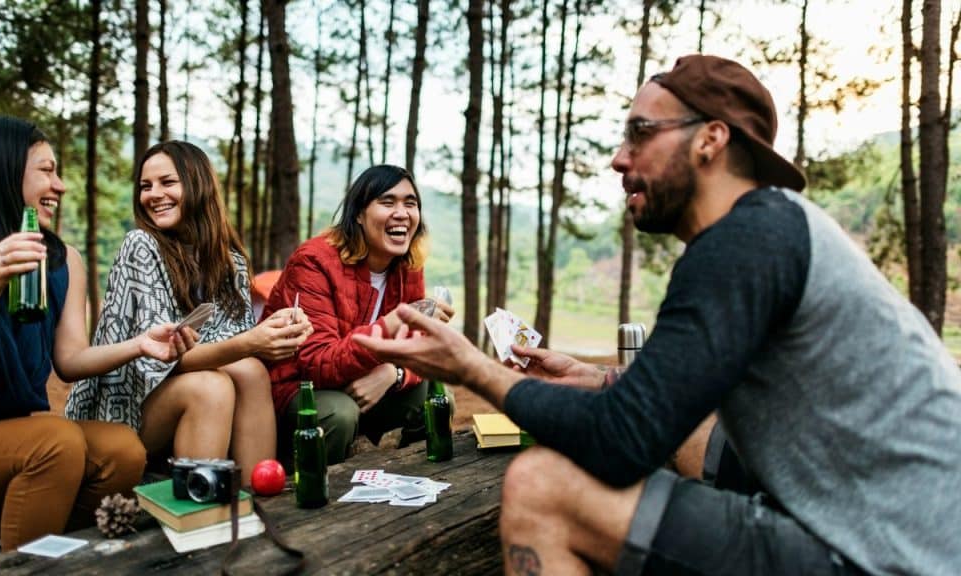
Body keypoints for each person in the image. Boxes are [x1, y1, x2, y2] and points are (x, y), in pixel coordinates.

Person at [354, 55, 961, 576]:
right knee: (696, 434)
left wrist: (470, 368)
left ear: (710, 140)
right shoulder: (769, 229)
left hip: (886, 552)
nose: (620, 159)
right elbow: (670, 401)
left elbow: (622, 442)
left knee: (539, 486)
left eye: (640, 133)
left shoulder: (745, 242)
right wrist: (600, 381)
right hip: (901, 522)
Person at [0, 114, 193, 550]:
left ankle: (18, 537)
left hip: (16, 445)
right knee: (54, 441)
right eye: (46, 171)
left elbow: (70, 361)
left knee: (122, 450)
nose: (61, 186)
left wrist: (139, 344)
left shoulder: (61, 260)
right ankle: (21, 563)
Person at [65, 141, 312, 485]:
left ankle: (258, 492)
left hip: (188, 401)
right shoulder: (141, 246)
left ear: (197, 184)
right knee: (209, 387)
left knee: (252, 372)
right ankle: (199, 509)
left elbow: (233, 347)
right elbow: (161, 361)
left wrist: (274, 332)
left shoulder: (232, 263)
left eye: (167, 182)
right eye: (145, 186)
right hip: (126, 408)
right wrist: (251, 342)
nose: (153, 194)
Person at [262, 164, 454, 468]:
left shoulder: (408, 265)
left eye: (411, 203)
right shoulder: (314, 261)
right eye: (388, 202)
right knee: (338, 414)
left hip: (365, 383)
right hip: (300, 387)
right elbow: (316, 362)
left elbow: (422, 347)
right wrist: (390, 326)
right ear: (358, 215)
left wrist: (395, 374)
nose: (402, 212)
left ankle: (420, 487)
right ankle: (309, 493)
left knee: (435, 397)